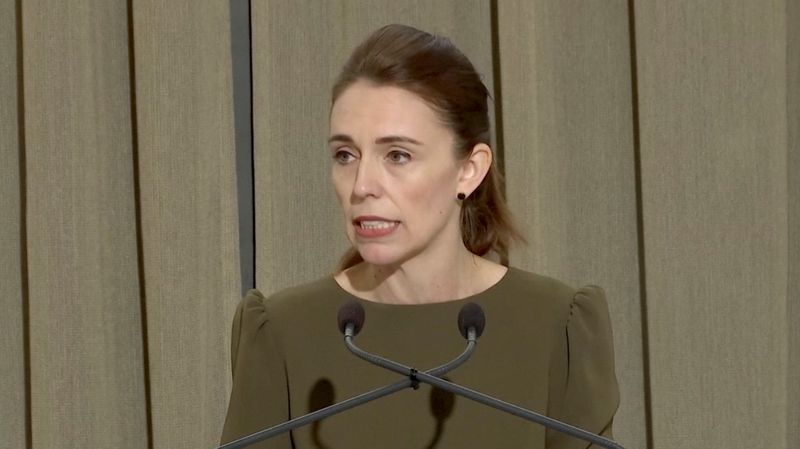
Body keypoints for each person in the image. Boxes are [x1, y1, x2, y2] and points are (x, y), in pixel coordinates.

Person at [221, 24, 619, 449]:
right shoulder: (282, 331)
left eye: (398, 155)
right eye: (345, 155)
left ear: (469, 169)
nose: (361, 186)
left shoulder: (557, 325)